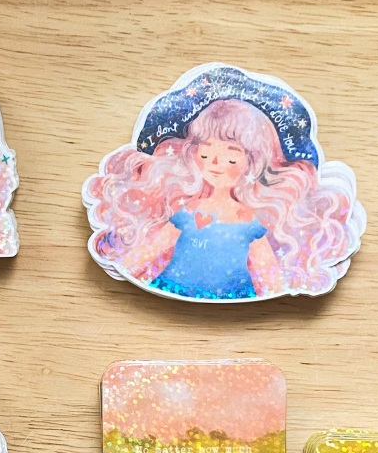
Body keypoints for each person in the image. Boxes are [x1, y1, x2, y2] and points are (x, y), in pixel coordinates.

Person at [85, 93, 359, 300]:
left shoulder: (249, 222)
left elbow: (269, 280)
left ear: (252, 163)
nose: (216, 163)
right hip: (169, 292)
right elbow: (145, 256)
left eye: (231, 156)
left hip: (237, 303)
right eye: (206, 153)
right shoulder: (187, 213)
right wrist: (120, 266)